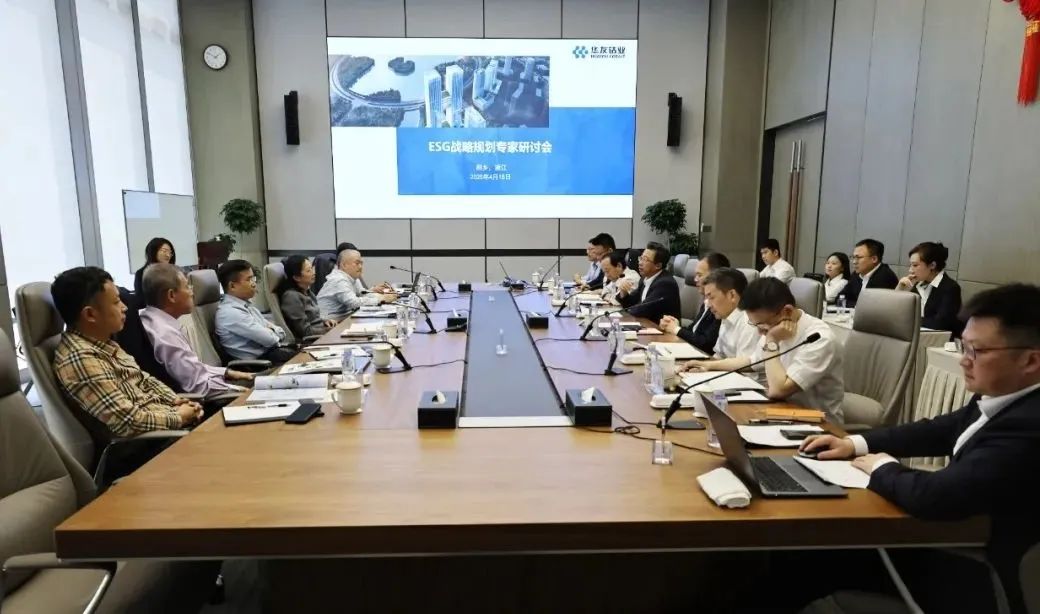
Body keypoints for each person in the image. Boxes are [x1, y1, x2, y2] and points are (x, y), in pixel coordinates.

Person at [801, 284, 1040, 614]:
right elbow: (941, 429)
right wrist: (854, 443)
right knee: (807, 556)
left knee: (812, 562)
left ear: (1030, 360)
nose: (963, 361)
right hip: (958, 538)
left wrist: (881, 466)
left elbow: (936, 496)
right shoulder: (1004, 395)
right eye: (963, 346)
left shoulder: (1030, 423)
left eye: (976, 351)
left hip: (984, 575)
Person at [51, 266, 203, 436]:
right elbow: (128, 422)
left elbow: (144, 379)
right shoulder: (81, 358)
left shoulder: (103, 342)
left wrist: (176, 401)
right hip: (151, 443)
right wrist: (180, 416)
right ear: (90, 315)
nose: (124, 307)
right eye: (116, 302)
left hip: (166, 422)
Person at [139, 263, 254, 397]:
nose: (192, 292)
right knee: (260, 387)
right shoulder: (166, 334)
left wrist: (227, 373)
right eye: (187, 287)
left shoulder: (152, 320)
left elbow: (192, 368)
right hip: (203, 401)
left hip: (207, 387)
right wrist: (239, 390)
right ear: (171, 295)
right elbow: (199, 386)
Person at [739, 278, 844, 422]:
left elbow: (778, 390)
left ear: (787, 311)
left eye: (763, 324)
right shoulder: (777, 328)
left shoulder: (819, 338)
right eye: (755, 325)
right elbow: (753, 361)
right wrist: (710, 365)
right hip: (780, 412)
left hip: (817, 425)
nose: (760, 332)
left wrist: (771, 340)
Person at [215, 259, 295, 363]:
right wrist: (270, 330)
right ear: (232, 286)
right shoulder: (230, 313)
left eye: (253, 278)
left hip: (272, 355)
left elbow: (281, 332)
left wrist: (271, 330)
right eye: (249, 280)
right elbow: (270, 340)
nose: (254, 284)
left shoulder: (247, 306)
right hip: (259, 365)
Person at [677, 268, 759, 368]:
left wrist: (708, 367)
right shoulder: (726, 316)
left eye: (711, 297)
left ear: (732, 295)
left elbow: (745, 367)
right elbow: (719, 355)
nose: (708, 304)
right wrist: (702, 367)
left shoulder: (749, 322)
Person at [658, 251, 730, 354]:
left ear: (715, 276)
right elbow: (694, 331)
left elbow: (706, 344)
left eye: (699, 275)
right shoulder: (706, 301)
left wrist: (676, 329)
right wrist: (673, 325)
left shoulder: (721, 306)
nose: (695, 279)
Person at [897, 241, 963, 335]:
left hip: (938, 340)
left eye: (915, 265)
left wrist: (908, 320)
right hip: (915, 335)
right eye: (910, 265)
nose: (910, 270)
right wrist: (899, 290)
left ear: (932, 265)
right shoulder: (917, 283)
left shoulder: (950, 288)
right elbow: (896, 315)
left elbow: (940, 324)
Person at [317, 248, 397, 320]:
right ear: (343, 265)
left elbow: (363, 294)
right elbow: (353, 303)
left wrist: (385, 296)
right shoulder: (338, 279)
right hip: (329, 323)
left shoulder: (352, 277)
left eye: (361, 263)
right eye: (357, 263)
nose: (360, 267)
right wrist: (381, 299)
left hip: (343, 318)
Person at [616, 241, 681, 322]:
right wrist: (623, 293)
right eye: (641, 258)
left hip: (661, 328)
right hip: (646, 324)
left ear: (658, 265)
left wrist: (624, 312)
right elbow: (632, 302)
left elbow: (642, 310)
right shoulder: (645, 278)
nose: (640, 263)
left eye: (645, 260)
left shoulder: (665, 284)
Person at [276, 255, 337, 340]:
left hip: (321, 335)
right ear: (296, 277)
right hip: (311, 341)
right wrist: (329, 331)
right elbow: (305, 331)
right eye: (308, 270)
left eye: (312, 268)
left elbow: (313, 319)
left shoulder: (307, 291)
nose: (313, 272)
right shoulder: (291, 297)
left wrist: (325, 321)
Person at [843, 238, 899, 307]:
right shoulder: (856, 275)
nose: (854, 262)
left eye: (858, 257)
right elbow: (841, 298)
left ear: (874, 259)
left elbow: (872, 306)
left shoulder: (885, 276)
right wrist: (856, 305)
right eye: (853, 257)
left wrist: (854, 304)